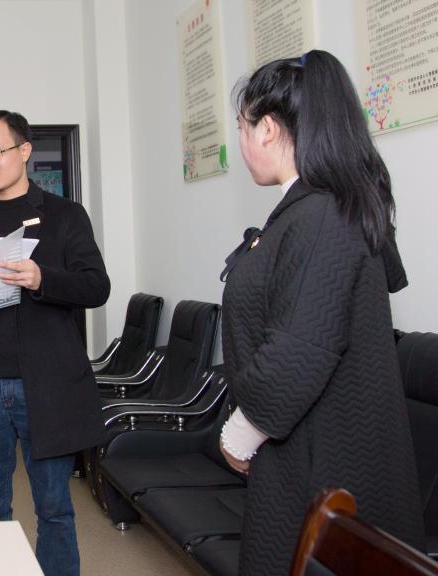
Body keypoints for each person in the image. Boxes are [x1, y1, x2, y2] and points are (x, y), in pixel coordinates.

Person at [219, 49, 424, 576]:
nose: (241, 141)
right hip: (304, 448)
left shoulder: (323, 214)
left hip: (320, 458)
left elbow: (299, 350)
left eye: (241, 126)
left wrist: (240, 432)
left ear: (267, 128)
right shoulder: (316, 208)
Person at [0, 110, 110, 576]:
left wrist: (42, 279)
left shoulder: (65, 216)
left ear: (24, 151)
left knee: (55, 507)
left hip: (47, 385)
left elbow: (96, 287)